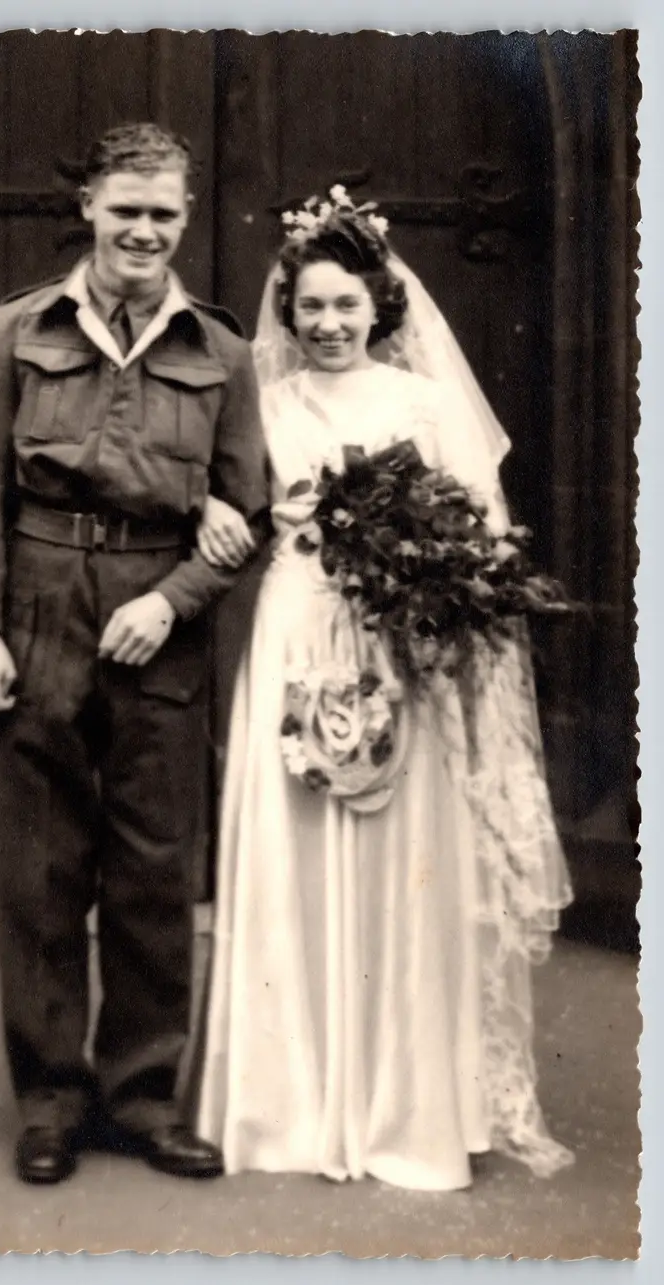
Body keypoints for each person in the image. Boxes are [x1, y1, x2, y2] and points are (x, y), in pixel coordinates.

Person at [195, 188, 575, 1190]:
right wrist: (213, 519)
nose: (326, 326)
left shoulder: (423, 407)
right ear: (290, 310)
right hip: (292, 627)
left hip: (400, 641)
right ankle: (290, 1108)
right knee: (297, 840)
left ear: (380, 308)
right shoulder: (263, 406)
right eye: (309, 307)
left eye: (345, 307)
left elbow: (481, 543)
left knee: (400, 856)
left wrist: (428, 593)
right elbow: (230, 504)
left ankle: (403, 1105)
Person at [0, 122, 266, 1185]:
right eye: (125, 208)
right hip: (39, 605)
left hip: (156, 627)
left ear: (184, 219)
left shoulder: (220, 350)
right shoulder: (18, 327)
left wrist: (174, 601)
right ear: (87, 204)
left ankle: (140, 1098)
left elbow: (246, 507)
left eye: (163, 213)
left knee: (151, 871)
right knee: (41, 869)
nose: (143, 230)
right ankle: (49, 1101)